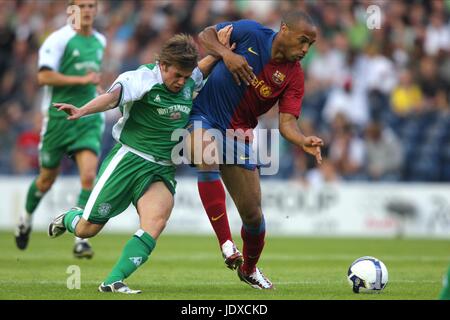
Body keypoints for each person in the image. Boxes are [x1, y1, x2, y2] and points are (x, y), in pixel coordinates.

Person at [47, 30, 232, 294]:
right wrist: (82, 110)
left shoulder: (190, 78)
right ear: (163, 65)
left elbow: (202, 68)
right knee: (88, 229)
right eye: (176, 75)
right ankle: (69, 218)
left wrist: (221, 51)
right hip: (129, 159)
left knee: (155, 222)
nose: (181, 82)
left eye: (185, 76)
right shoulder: (142, 78)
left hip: (162, 168)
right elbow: (112, 98)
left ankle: (112, 281)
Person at [186, 11, 324, 289]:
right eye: (302, 41)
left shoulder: (294, 77)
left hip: (239, 136)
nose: (305, 50)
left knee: (253, 216)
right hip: (205, 116)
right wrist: (227, 54)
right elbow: (205, 35)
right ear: (284, 29)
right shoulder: (250, 32)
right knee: (205, 154)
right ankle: (226, 243)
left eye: (310, 44)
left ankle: (249, 269)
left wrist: (301, 140)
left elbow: (286, 123)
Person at [14, 0, 106, 258]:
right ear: (71, 10)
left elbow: (93, 75)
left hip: (87, 118)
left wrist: (97, 90)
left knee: (89, 176)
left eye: (91, 5)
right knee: (46, 179)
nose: (87, 10)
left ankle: (80, 238)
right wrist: (82, 80)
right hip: (57, 118)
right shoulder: (58, 40)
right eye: (81, 6)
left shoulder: (100, 40)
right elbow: (43, 77)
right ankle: (26, 218)